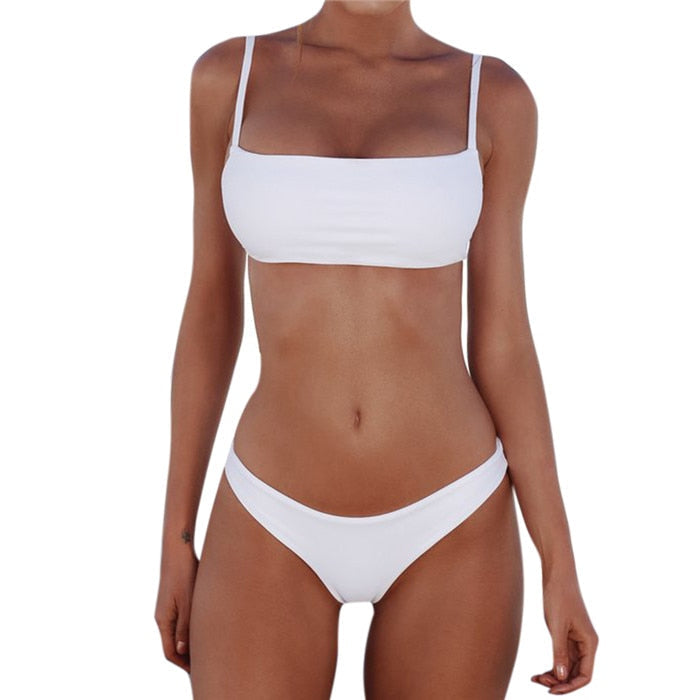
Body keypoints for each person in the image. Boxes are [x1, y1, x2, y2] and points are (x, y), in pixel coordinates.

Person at [154, 1, 598, 697]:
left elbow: (504, 342)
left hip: (452, 517)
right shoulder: (230, 79)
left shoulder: (492, 95)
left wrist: (559, 563)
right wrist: (176, 540)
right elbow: (211, 310)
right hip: (271, 510)